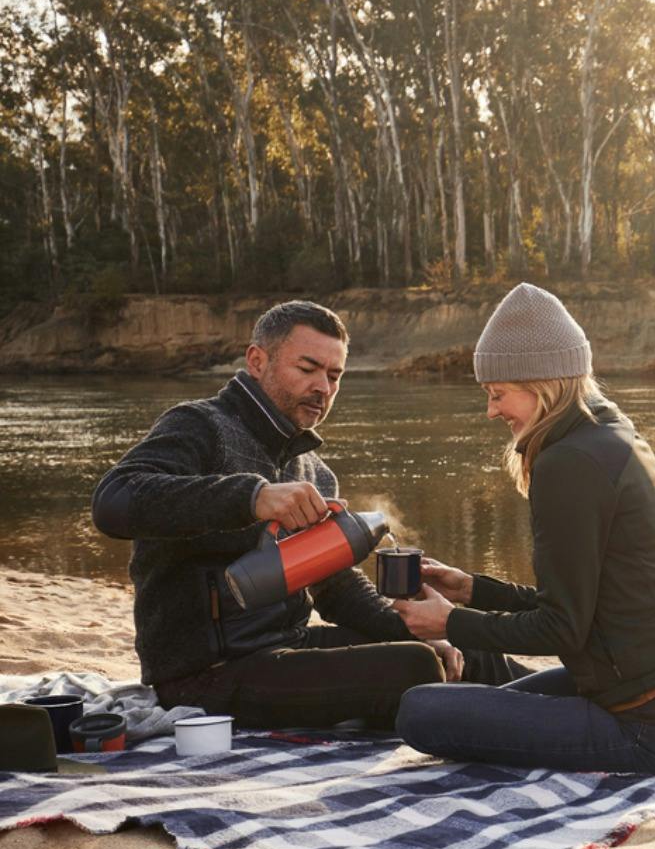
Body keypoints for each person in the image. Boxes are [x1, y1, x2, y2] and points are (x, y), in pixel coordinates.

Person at [389, 283, 655, 778]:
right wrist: (472, 590)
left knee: (421, 712)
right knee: (462, 704)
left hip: (653, 725)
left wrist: (448, 623)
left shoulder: (569, 463)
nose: (492, 410)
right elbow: (578, 604)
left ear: (541, 383)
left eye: (498, 394)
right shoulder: (606, 431)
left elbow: (561, 627)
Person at [92, 300, 461, 729]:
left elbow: (334, 586)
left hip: (291, 645)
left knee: (454, 645)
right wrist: (253, 497)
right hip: (204, 672)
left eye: (334, 375)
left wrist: (412, 628)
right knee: (413, 669)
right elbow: (113, 501)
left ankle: (551, 708)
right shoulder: (198, 425)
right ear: (257, 360)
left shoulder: (315, 472)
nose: (323, 386)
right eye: (308, 369)